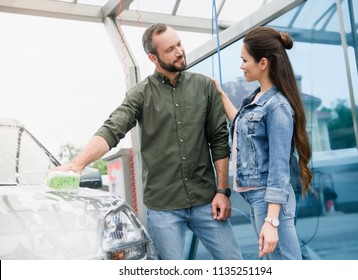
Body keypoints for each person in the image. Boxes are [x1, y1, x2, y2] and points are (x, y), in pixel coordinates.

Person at [53, 23, 242, 260]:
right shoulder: (141, 93)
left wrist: (222, 191)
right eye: (170, 49)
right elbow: (113, 128)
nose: (179, 52)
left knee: (235, 264)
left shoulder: (204, 87)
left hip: (207, 200)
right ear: (153, 57)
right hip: (163, 208)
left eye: (179, 44)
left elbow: (219, 140)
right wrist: (78, 163)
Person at [212, 26, 313, 260]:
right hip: (258, 199)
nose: (241, 65)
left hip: (270, 201)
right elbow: (240, 124)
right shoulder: (256, 99)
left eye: (244, 60)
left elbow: (279, 167)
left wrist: (272, 220)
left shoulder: (277, 107)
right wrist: (220, 94)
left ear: (263, 63)